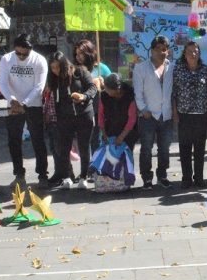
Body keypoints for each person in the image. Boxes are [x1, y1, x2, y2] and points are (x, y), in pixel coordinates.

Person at [0, 34, 49, 189]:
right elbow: (2, 82)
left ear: (30, 50)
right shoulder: (6, 59)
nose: (20, 56)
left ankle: (42, 174)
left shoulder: (39, 60)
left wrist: (24, 103)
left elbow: (39, 86)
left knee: (37, 139)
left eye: (24, 54)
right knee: (13, 140)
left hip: (33, 104)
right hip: (12, 103)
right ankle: (19, 174)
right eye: (18, 53)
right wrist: (12, 100)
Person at [47, 52, 97, 190]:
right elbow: (55, 100)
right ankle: (67, 177)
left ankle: (83, 177)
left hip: (84, 114)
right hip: (64, 117)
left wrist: (83, 96)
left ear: (65, 65)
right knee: (64, 147)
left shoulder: (80, 71)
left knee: (84, 146)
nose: (55, 71)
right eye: (53, 68)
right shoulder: (54, 79)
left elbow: (93, 88)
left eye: (58, 67)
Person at [133, 35, 174, 190]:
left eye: (164, 49)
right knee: (146, 148)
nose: (161, 52)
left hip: (166, 114)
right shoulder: (141, 68)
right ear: (152, 50)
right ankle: (147, 178)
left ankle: (162, 176)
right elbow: (138, 92)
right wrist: (143, 109)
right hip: (148, 115)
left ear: (168, 51)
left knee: (164, 148)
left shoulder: (172, 67)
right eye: (157, 49)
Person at [172, 41, 207, 189]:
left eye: (195, 51)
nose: (193, 54)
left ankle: (199, 178)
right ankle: (186, 178)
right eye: (190, 51)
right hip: (184, 115)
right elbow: (174, 93)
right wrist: (175, 113)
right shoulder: (178, 70)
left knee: (200, 149)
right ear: (184, 53)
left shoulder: (206, 70)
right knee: (184, 148)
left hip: (201, 115)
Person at [74, 39, 111, 154]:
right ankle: (86, 169)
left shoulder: (102, 68)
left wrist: (104, 84)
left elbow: (114, 89)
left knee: (96, 140)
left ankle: (96, 167)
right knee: (84, 142)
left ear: (89, 53)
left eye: (81, 53)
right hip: (81, 110)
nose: (78, 57)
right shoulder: (76, 69)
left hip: (97, 110)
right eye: (76, 54)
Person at [98, 73, 138, 149]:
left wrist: (121, 137)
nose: (105, 90)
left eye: (108, 89)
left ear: (117, 90)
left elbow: (132, 119)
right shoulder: (104, 96)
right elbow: (100, 115)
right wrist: (104, 133)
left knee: (126, 156)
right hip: (110, 130)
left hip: (128, 132)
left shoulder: (130, 96)